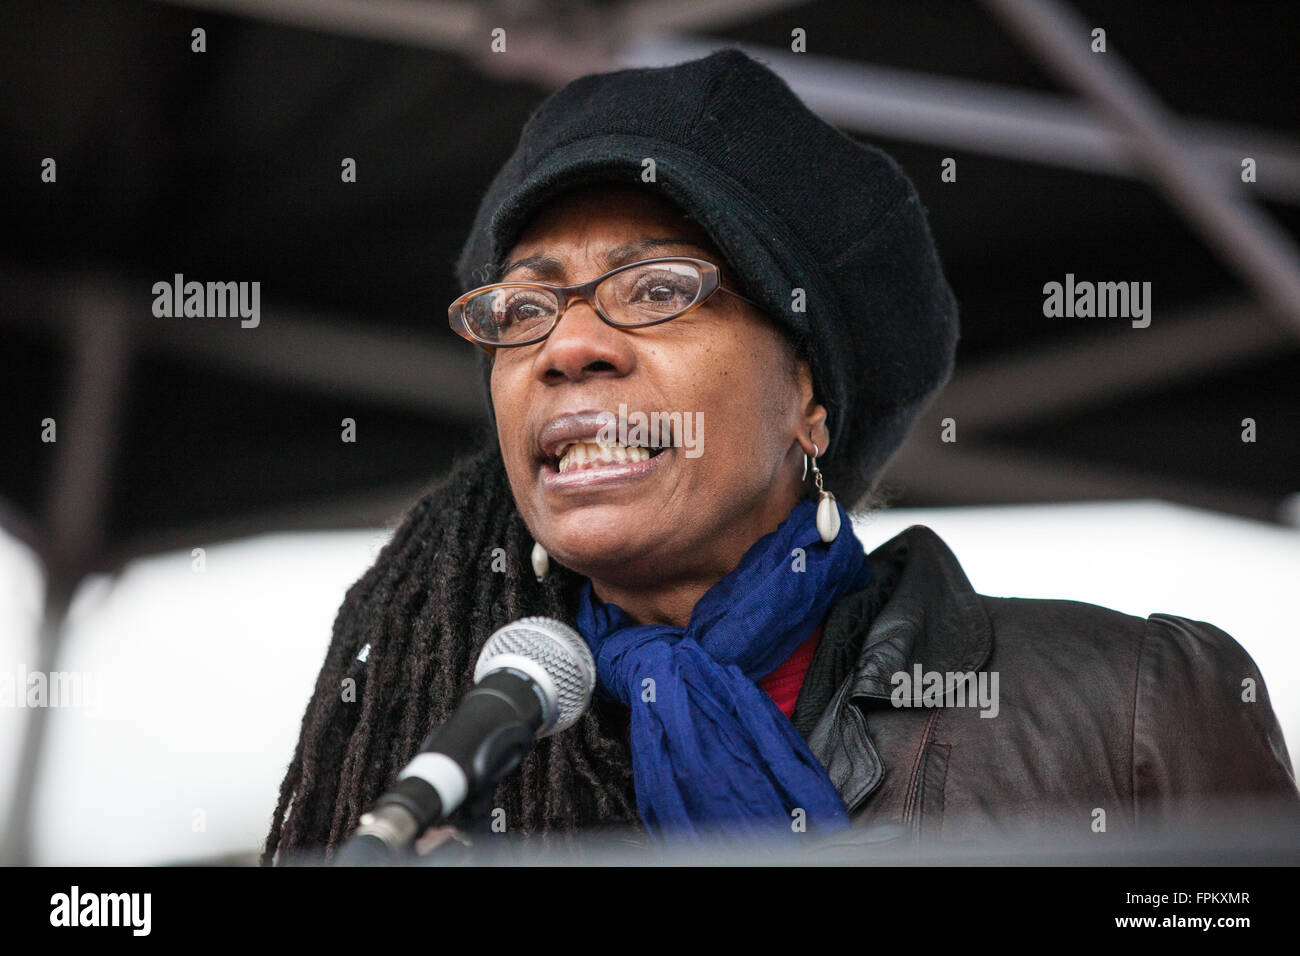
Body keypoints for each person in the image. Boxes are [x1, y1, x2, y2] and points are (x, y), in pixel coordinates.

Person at [262, 49, 1297, 863]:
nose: (566, 346)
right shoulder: (460, 765)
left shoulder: (1128, 712)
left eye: (658, 289)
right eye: (525, 307)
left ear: (807, 394)